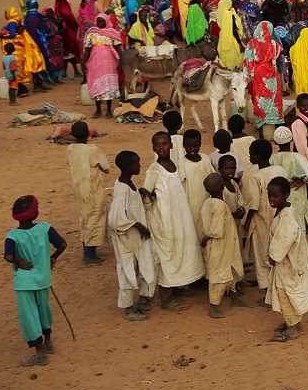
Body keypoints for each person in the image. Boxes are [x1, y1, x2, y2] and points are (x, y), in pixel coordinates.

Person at [144, 132, 205, 310]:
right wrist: (152, 198)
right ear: (153, 148)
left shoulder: (174, 165)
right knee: (168, 256)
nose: (161, 147)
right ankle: (166, 297)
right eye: (157, 145)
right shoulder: (153, 170)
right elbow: (145, 195)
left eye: (164, 144)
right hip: (164, 222)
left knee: (181, 251)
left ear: (171, 145)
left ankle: (178, 285)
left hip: (179, 218)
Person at [5, 195, 66, 366]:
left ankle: (39, 355)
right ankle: (48, 343)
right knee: (44, 311)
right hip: (43, 280)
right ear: (34, 214)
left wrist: (19, 261)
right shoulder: (45, 228)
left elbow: (9, 256)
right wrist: (53, 258)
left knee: (29, 316)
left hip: (24, 284)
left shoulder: (12, 235)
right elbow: (62, 244)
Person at [265, 176, 308, 342]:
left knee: (284, 293)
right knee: (287, 293)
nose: (271, 199)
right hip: (287, 262)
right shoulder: (285, 211)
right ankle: (292, 321)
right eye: (269, 196)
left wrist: (273, 256)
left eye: (275, 196)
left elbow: (284, 239)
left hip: (287, 263)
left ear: (286, 195)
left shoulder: (287, 216)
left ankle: (291, 328)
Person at [107, 150, 156, 322]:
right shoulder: (122, 189)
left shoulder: (130, 184)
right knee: (126, 270)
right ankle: (128, 309)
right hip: (126, 239)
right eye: (137, 163)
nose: (140, 166)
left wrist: (141, 192)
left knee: (147, 263)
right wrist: (137, 225)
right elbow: (114, 218)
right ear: (129, 167)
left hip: (136, 238)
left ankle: (144, 299)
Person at [242, 139, 287, 295]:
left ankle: (268, 291)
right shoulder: (280, 170)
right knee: (278, 251)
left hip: (262, 221)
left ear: (257, 156)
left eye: (251, 155)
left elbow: (254, 203)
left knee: (263, 256)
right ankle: (280, 285)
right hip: (279, 218)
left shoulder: (255, 177)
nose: (249, 157)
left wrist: (247, 221)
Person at [199, 173, 246, 319]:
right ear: (222, 187)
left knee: (231, 270)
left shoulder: (208, 203)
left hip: (225, 245)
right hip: (221, 246)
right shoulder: (219, 205)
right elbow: (217, 230)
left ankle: (234, 297)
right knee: (219, 276)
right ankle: (214, 306)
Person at [65, 120, 110, 265]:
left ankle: (88, 249)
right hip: (92, 189)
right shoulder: (92, 150)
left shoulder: (70, 149)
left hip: (78, 188)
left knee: (84, 217)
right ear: (88, 134)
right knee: (94, 218)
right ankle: (89, 254)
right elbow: (106, 167)